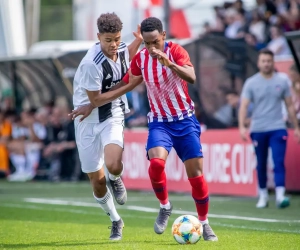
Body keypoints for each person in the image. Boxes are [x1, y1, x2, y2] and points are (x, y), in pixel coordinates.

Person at [70, 17, 218, 241]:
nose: (151, 48)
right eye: (147, 44)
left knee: (196, 175)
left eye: (155, 42)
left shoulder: (177, 52)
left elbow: (192, 77)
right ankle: (165, 206)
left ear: (164, 36)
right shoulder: (141, 58)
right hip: (159, 122)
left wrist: (169, 63)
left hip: (185, 120)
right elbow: (125, 83)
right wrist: (92, 103)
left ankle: (205, 223)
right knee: (156, 164)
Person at [71, 12, 143, 241]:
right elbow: (96, 100)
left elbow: (126, 55)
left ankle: (116, 178)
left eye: (117, 39)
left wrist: (138, 40)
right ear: (98, 37)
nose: (114, 45)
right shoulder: (91, 64)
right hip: (86, 122)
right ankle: (115, 220)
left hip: (112, 114)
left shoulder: (119, 47)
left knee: (113, 164)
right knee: (97, 182)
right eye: (108, 40)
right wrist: (130, 86)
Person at [239, 49, 300, 209]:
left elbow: (289, 105)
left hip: (278, 127)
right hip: (258, 128)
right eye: (263, 61)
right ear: (259, 63)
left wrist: (296, 127)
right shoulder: (251, 82)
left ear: (273, 62)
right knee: (261, 163)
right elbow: (244, 106)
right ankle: (263, 195)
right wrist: (241, 127)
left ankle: (280, 196)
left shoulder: (283, 80)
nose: (266, 64)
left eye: (269, 61)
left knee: (278, 161)